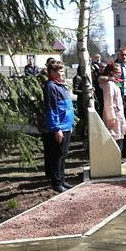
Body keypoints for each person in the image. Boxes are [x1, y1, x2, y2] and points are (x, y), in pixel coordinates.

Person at [42, 59, 75, 193]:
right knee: (57, 155)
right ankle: (56, 182)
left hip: (66, 125)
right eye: (60, 71)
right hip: (59, 127)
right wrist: (57, 128)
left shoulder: (61, 85)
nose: (62, 73)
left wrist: (70, 124)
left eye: (62, 70)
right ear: (52, 72)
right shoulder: (50, 86)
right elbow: (52, 109)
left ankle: (62, 179)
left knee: (63, 154)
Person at [101, 61, 126, 152]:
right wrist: (111, 117)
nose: (120, 74)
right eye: (118, 72)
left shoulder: (115, 83)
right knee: (114, 137)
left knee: (119, 137)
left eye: (121, 72)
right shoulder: (109, 84)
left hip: (119, 114)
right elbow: (108, 102)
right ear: (111, 72)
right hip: (114, 116)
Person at [71, 64, 90, 139]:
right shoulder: (77, 77)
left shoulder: (85, 77)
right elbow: (75, 90)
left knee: (86, 118)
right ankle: (79, 134)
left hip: (86, 100)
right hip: (81, 100)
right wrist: (85, 92)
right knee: (82, 118)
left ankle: (82, 133)